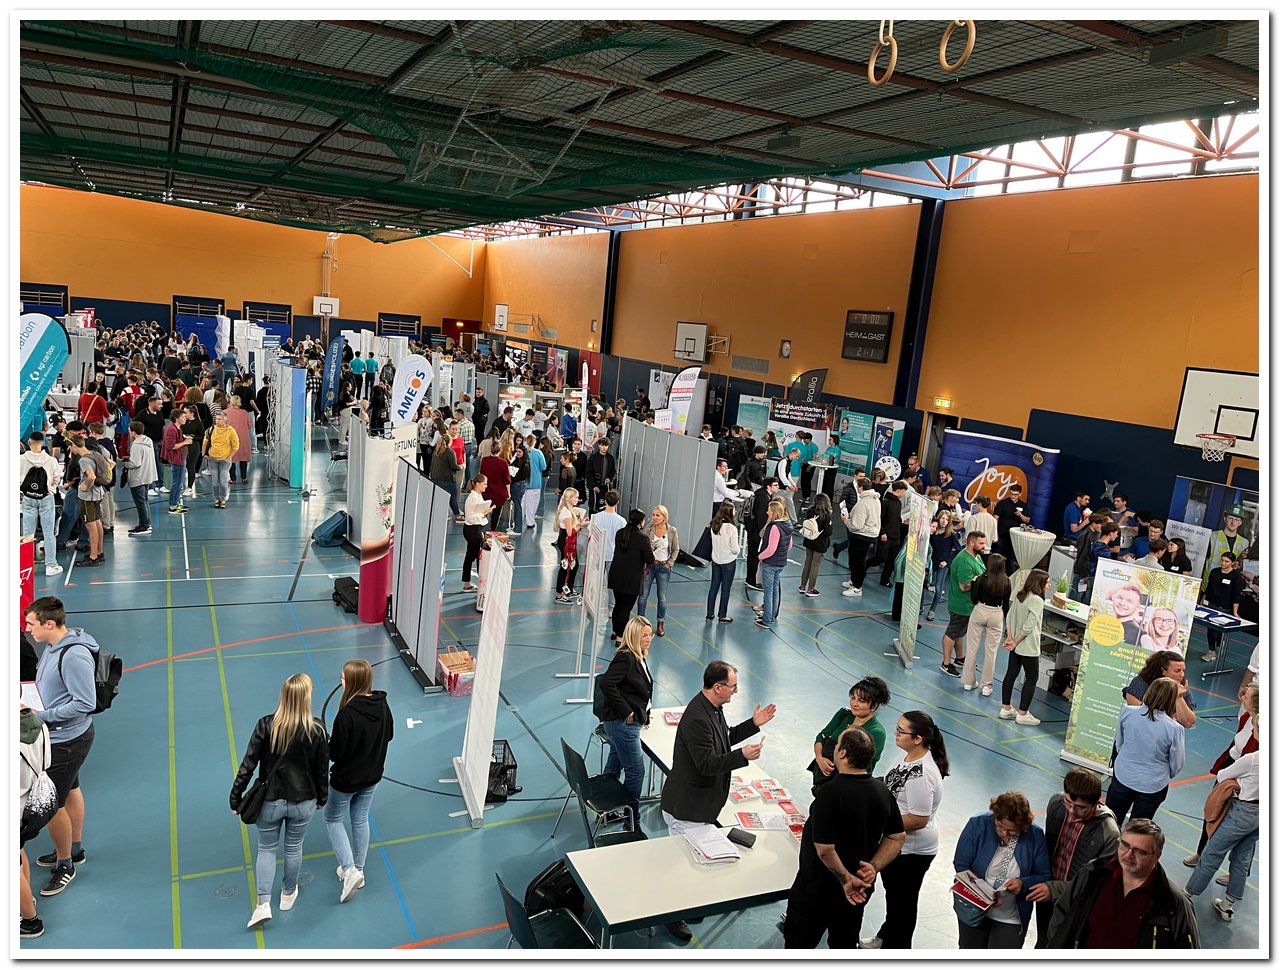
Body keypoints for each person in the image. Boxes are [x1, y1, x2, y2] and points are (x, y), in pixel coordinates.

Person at [660, 660, 775, 940]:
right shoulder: (698, 717)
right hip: (687, 807)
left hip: (699, 805)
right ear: (718, 687)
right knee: (682, 865)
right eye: (733, 686)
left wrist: (753, 725)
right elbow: (707, 764)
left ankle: (686, 906)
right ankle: (670, 916)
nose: (736, 691)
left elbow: (724, 737)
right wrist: (742, 756)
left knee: (692, 861)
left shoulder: (712, 708)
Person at [782, 727, 905, 949]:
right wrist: (874, 866)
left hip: (818, 890)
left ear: (842, 753)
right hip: (858, 891)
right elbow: (897, 837)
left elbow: (825, 849)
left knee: (799, 945)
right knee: (843, 945)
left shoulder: (830, 793)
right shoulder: (882, 791)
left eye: (837, 745)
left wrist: (846, 879)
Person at [230, 673, 329, 928]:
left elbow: (248, 765)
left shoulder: (266, 725)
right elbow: (321, 769)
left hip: (270, 801)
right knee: (294, 847)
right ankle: (288, 893)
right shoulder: (317, 729)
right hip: (303, 800)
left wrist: (236, 797)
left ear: (283, 695)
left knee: (266, 849)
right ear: (307, 697)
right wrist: (322, 797)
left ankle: (263, 904)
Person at [25, 597, 99, 897]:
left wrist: (41, 715)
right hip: (61, 737)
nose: (28, 629)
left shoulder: (73, 656)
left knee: (52, 806)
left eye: (31, 624)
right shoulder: (53, 645)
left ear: (49, 623)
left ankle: (65, 864)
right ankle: (75, 849)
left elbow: (85, 703)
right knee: (70, 790)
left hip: (67, 741)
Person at [859, 711, 949, 950]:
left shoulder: (922, 774)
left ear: (918, 738)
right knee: (896, 900)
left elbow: (918, 819)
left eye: (901, 730)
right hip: (897, 842)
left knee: (902, 905)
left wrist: (880, 821)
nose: (895, 733)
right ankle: (886, 937)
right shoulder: (907, 755)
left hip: (911, 851)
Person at [1046, 818, 1199, 948]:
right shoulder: (1093, 874)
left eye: (1139, 851)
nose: (1128, 854)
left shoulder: (1174, 903)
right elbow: (1061, 916)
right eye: (1124, 845)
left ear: (1157, 856)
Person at [324, 659, 394, 904]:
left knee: (333, 819)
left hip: (346, 780)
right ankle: (359, 869)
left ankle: (349, 869)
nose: (340, 681)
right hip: (372, 775)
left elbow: (336, 754)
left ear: (352, 682)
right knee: (360, 818)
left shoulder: (346, 715)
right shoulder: (382, 704)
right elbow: (389, 734)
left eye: (343, 678)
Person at [1027, 767, 1121, 947]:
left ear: (1096, 803)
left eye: (1081, 808)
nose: (1071, 811)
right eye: (1068, 802)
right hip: (1046, 893)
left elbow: (1098, 885)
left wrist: (1054, 889)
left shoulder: (1109, 833)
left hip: (1074, 903)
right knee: (1043, 942)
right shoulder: (1056, 803)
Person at [952, 791, 1051, 948]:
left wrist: (1023, 884)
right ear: (994, 817)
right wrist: (985, 894)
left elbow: (1044, 875)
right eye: (1000, 826)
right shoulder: (978, 824)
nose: (1004, 833)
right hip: (974, 910)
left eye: (1012, 831)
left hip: (1010, 917)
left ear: (1023, 826)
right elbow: (961, 864)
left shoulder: (1035, 836)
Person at [597, 615, 655, 828]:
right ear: (634, 636)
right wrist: (627, 711)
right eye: (644, 636)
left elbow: (640, 689)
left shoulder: (639, 656)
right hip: (622, 725)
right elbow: (607, 684)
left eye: (650, 635)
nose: (649, 639)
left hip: (625, 724)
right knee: (636, 773)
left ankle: (605, 811)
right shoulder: (626, 658)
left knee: (614, 766)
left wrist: (644, 713)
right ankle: (631, 821)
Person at [1107, 677, 1186, 825]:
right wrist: (1163, 774)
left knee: (1110, 820)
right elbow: (1177, 762)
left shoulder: (1128, 712)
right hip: (1153, 784)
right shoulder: (1174, 728)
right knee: (1139, 828)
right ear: (1171, 700)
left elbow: (1119, 742)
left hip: (1124, 775)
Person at [808, 677, 891, 793]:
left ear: (874, 706)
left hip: (848, 784)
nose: (854, 703)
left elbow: (864, 764)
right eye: (853, 698)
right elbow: (821, 737)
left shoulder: (876, 732)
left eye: (861, 701)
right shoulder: (844, 714)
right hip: (823, 776)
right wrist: (819, 758)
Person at [20, 700, 53, 938]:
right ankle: (25, 900)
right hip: (30, 806)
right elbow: (46, 763)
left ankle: (30, 922)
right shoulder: (38, 724)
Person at [999, 569, 1048, 725]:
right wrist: (1016, 640)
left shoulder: (1020, 595)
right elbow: (1029, 626)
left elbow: (1009, 616)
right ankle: (1023, 713)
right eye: (1047, 582)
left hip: (1015, 644)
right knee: (1032, 678)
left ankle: (1006, 708)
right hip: (1028, 646)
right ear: (1039, 583)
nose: (1049, 585)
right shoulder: (1037, 600)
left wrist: (1010, 637)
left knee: (1011, 673)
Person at [962, 552, 1010, 695]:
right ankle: (986, 686)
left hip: (980, 610)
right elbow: (1006, 605)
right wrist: (1007, 624)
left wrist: (973, 583)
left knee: (971, 648)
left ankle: (968, 682)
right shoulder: (1006, 581)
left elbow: (973, 599)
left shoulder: (981, 579)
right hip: (996, 613)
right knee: (991, 652)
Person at [940, 531, 986, 677]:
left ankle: (960, 658)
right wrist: (980, 581)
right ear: (971, 543)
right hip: (961, 605)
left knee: (960, 632)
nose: (984, 546)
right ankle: (946, 663)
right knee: (952, 633)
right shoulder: (965, 561)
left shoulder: (976, 556)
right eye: (981, 543)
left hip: (969, 605)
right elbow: (964, 586)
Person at [20, 431, 63, 576]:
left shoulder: (20, 459)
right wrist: (51, 488)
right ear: (43, 442)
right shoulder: (51, 461)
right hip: (46, 497)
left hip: (28, 497)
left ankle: (27, 566)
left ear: (29, 442)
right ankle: (51, 565)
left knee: (28, 533)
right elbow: (57, 478)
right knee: (49, 532)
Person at [608, 509, 654, 639]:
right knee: (626, 609)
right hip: (631, 579)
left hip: (616, 574)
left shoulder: (620, 533)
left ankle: (615, 631)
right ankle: (620, 636)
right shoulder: (643, 538)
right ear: (640, 522)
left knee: (618, 605)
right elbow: (649, 559)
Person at [1124, 650, 1197, 728]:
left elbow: (1188, 723)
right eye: (1177, 671)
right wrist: (1173, 717)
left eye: (1183, 670)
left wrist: (1179, 698)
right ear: (1162, 671)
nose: (1182, 675)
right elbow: (1142, 717)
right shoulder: (1140, 683)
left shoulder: (1181, 686)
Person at [66, 435, 107, 568]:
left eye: (70, 447)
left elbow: (91, 477)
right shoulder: (94, 454)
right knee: (97, 521)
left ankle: (93, 557)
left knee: (90, 525)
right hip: (98, 493)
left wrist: (86, 487)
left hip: (88, 497)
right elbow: (111, 463)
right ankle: (99, 552)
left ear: (74, 446)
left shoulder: (83, 460)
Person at [638, 505, 678, 636]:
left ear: (664, 517)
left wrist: (669, 564)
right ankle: (640, 623)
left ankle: (660, 623)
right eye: (653, 515)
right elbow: (641, 545)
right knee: (643, 595)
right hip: (650, 566)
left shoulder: (672, 531)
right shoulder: (648, 529)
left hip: (663, 568)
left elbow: (676, 549)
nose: (654, 518)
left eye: (657, 515)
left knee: (662, 597)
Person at [755, 498, 793, 631]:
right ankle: (772, 616)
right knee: (775, 590)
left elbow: (771, 548)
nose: (767, 512)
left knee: (768, 592)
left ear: (775, 513)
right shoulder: (787, 524)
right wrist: (781, 554)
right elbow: (790, 545)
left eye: (769, 510)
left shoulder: (775, 527)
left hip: (770, 564)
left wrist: (760, 556)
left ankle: (766, 620)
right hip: (780, 563)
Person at [841, 477, 881, 598]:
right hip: (871, 533)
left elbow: (856, 525)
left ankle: (857, 587)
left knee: (857, 561)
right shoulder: (875, 499)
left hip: (862, 535)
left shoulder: (863, 503)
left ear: (861, 487)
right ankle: (854, 581)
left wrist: (846, 520)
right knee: (858, 560)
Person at [1200, 552, 1245, 662]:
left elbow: (1236, 595)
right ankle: (1211, 650)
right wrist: (1203, 600)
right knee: (1210, 629)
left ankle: (1219, 646)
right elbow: (1208, 588)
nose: (1223, 563)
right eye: (1222, 560)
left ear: (1232, 563)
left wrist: (1235, 612)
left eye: (1226, 561)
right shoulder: (1214, 572)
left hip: (1224, 607)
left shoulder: (1236, 576)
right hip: (1211, 604)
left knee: (1218, 631)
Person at [705, 502, 741, 623]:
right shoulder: (732, 528)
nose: (735, 512)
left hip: (716, 560)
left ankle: (709, 613)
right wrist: (736, 551)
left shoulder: (714, 525)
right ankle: (722, 615)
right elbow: (735, 549)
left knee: (713, 587)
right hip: (728, 561)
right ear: (729, 512)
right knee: (725, 589)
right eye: (734, 510)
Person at [744, 477, 780, 591]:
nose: (778, 487)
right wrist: (764, 533)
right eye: (775, 485)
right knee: (754, 555)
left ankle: (750, 578)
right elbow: (761, 517)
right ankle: (751, 580)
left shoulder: (762, 495)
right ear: (768, 486)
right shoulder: (764, 498)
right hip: (756, 531)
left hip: (753, 528)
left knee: (753, 555)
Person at [1202, 504, 1249, 590]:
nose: (1233, 522)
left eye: (1236, 519)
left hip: (1230, 590)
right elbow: (1201, 561)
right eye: (1230, 518)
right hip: (1210, 587)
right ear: (1225, 519)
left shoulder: (1245, 543)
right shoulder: (1212, 536)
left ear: (1240, 523)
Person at [121, 424, 157, 537]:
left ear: (134, 432)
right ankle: (146, 523)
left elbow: (135, 463)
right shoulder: (148, 440)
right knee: (144, 501)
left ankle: (144, 525)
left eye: (129, 431)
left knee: (140, 503)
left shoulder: (136, 445)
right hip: (147, 475)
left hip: (138, 477)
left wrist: (125, 463)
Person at [554, 488, 587, 603]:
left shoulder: (568, 510)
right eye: (576, 497)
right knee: (565, 568)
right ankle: (559, 594)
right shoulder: (566, 513)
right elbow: (570, 533)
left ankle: (568, 589)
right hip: (566, 542)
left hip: (567, 541)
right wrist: (581, 525)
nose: (577, 499)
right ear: (569, 498)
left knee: (574, 565)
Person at [927, 509, 961, 620]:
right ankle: (920, 606)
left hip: (943, 564)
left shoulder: (951, 534)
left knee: (938, 587)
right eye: (942, 518)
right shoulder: (933, 532)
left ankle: (932, 610)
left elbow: (958, 549)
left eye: (947, 519)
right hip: (932, 562)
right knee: (924, 584)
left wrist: (947, 561)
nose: (944, 521)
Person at [460, 475, 492, 593]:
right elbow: (470, 517)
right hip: (472, 530)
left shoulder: (478, 495)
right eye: (484, 484)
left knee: (472, 556)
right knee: (474, 556)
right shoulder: (472, 498)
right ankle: (474, 583)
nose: (486, 486)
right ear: (477, 484)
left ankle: (469, 582)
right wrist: (484, 513)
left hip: (476, 529)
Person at [202, 411, 239, 509]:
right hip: (212, 459)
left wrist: (229, 456)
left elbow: (236, 446)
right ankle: (216, 498)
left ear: (225, 420)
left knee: (223, 481)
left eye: (219, 419)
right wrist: (203, 454)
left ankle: (223, 499)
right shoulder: (211, 429)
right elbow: (205, 441)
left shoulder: (231, 431)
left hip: (225, 460)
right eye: (216, 419)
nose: (217, 421)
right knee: (215, 481)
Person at [798, 493, 832, 596]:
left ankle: (802, 586)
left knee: (807, 563)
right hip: (820, 543)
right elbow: (828, 532)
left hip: (809, 540)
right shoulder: (826, 515)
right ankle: (811, 589)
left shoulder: (810, 511)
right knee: (815, 566)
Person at [161, 407, 192, 514]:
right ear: (176, 418)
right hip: (176, 458)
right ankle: (173, 506)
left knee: (179, 482)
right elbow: (171, 446)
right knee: (177, 483)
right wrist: (185, 442)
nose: (185, 418)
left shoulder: (177, 428)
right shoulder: (172, 429)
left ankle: (176, 503)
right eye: (183, 417)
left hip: (179, 457)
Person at [877, 480, 908, 586]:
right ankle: (866, 565)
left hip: (896, 535)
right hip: (887, 535)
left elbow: (896, 518)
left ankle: (885, 579)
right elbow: (881, 518)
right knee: (881, 557)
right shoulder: (885, 502)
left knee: (892, 559)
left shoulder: (898, 503)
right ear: (898, 491)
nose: (904, 494)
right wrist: (882, 532)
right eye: (903, 491)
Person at [479, 439, 511, 532]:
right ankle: (492, 529)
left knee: (485, 510)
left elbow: (481, 474)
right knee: (496, 512)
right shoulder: (503, 463)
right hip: (499, 492)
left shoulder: (484, 460)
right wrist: (508, 492)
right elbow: (506, 480)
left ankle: (480, 527)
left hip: (487, 490)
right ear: (500, 450)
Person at [994, 483, 1031, 564]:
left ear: (1020, 494)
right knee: (998, 558)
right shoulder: (1002, 503)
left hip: (1015, 537)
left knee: (1011, 559)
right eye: (1011, 493)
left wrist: (1021, 515)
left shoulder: (1023, 505)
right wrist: (995, 533)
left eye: (1015, 494)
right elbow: (995, 518)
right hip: (1002, 535)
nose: (1013, 496)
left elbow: (1027, 520)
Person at [429, 433, 462, 519]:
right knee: (452, 497)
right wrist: (460, 467)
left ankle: (443, 514)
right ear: (450, 442)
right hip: (447, 479)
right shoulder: (450, 452)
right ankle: (457, 515)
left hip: (435, 478)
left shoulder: (436, 451)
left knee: (439, 498)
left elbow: (432, 464)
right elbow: (454, 466)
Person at [225, 395, 254, 486]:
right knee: (243, 458)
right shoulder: (244, 412)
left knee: (231, 458)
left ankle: (233, 478)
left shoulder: (225, 412)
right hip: (243, 438)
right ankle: (244, 477)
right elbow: (250, 425)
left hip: (230, 438)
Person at [585, 436, 616, 515]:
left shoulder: (610, 458)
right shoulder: (592, 458)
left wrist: (609, 478)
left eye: (606, 445)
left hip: (605, 487)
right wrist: (593, 486)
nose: (604, 447)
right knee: (593, 506)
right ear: (599, 445)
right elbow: (588, 473)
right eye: (602, 445)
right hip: (594, 487)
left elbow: (612, 470)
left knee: (604, 506)